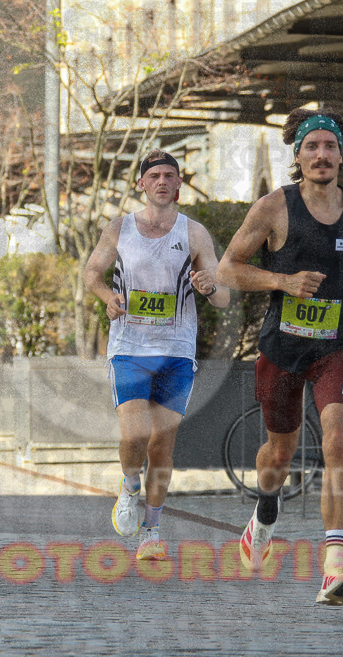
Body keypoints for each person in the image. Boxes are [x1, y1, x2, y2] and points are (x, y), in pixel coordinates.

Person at [217, 109, 343, 606]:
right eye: (311, 146)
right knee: (279, 454)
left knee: (338, 440)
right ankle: (264, 515)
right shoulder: (273, 208)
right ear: (297, 156)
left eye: (329, 146)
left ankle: (334, 567)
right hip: (283, 348)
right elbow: (229, 268)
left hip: (338, 345)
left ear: (341, 155)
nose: (321, 155)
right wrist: (283, 282)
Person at [83, 150, 230, 560]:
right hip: (129, 348)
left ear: (179, 185)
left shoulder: (194, 233)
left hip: (176, 351)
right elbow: (92, 273)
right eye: (155, 175)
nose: (163, 181)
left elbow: (223, 298)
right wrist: (108, 298)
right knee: (135, 435)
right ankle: (130, 485)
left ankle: (153, 531)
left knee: (162, 447)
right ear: (142, 185)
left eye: (170, 175)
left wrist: (208, 286)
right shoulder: (119, 228)